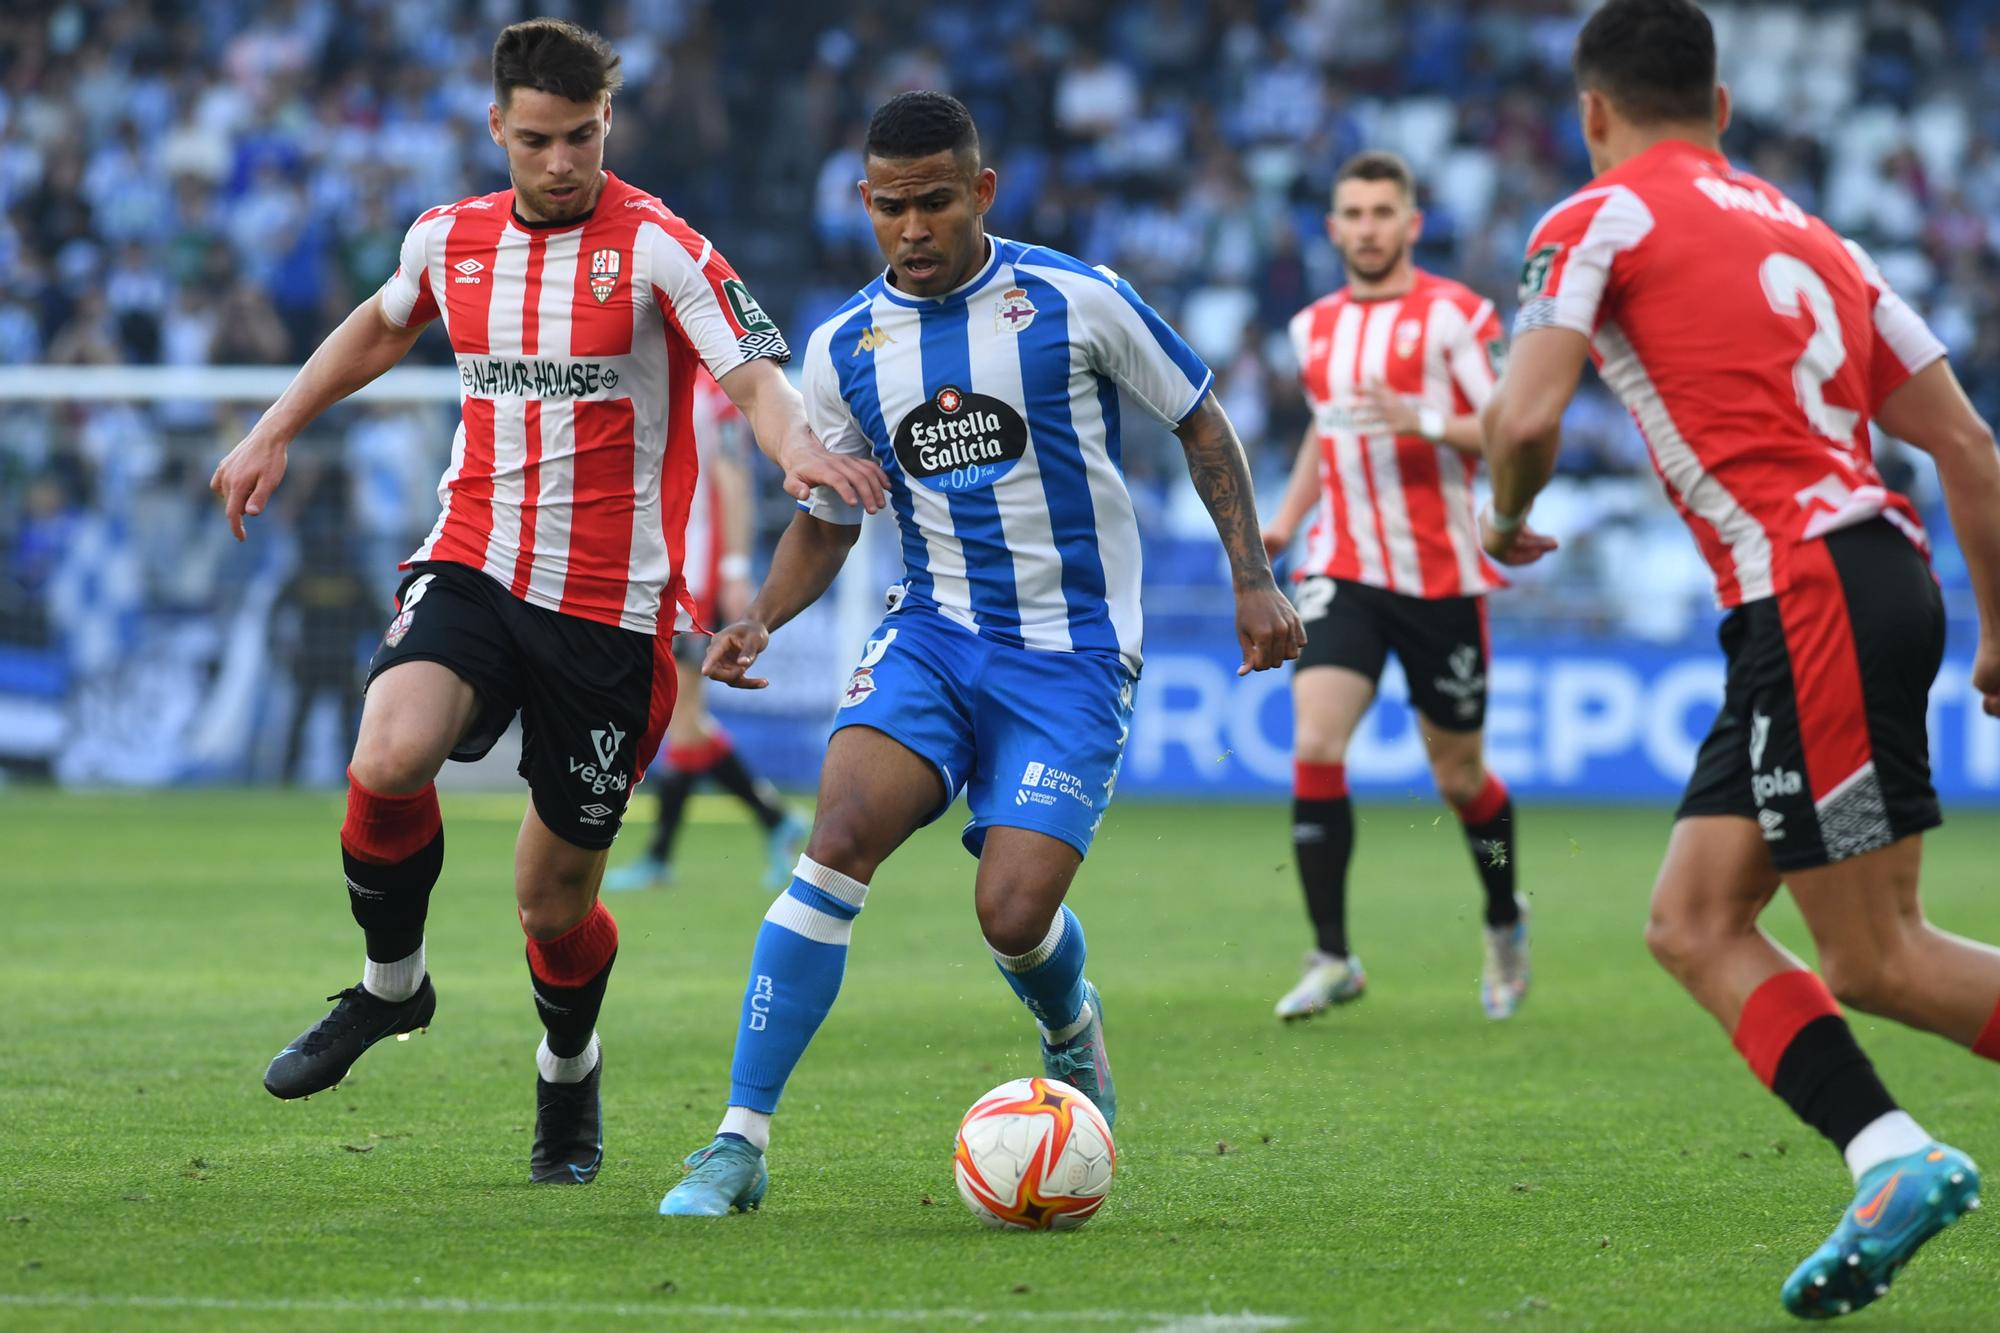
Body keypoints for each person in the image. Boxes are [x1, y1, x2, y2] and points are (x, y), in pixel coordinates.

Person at [207, 18, 882, 1186]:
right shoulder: (449, 238)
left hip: (607, 614)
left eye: (581, 136)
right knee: (387, 755)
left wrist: (798, 451)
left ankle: (568, 1074)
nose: (560, 161)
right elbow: (379, 324)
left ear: (607, 124)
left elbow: (752, 377)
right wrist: (273, 426)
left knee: (549, 899)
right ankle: (390, 989)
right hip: (471, 555)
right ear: (495, 129)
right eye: (536, 139)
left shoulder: (662, 245)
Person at [656, 91, 1304, 1216]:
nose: (914, 227)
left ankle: (1067, 1021)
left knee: (1009, 913)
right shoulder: (843, 346)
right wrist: (759, 614)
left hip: (1072, 657)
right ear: (864, 203)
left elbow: (1200, 417)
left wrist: (1251, 577)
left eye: (936, 202)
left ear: (981, 192)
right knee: (838, 839)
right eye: (892, 207)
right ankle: (737, 1140)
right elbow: (828, 516)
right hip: (932, 637)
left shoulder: (1074, 300)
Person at [1481, 0, 2000, 1317]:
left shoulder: (1591, 217)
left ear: (1591, 114)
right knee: (1695, 919)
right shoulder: (1816, 237)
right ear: (1721, 106)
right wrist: (1999, 634)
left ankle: (1895, 1157)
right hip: (1852, 582)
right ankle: (1890, 1156)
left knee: (1877, 957)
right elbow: (1971, 451)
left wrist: (1502, 513)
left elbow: (1526, 412)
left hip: (1809, 588)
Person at [1261, 150, 1527, 1024]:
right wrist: (1285, 520)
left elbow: (1508, 432)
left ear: (1411, 224)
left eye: (1384, 212)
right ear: (1333, 227)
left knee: (1460, 776)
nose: (1369, 227)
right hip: (1341, 564)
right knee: (1317, 738)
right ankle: (1332, 954)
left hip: (1440, 575)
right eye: (1354, 213)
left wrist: (1428, 420)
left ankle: (1501, 913)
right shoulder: (1313, 328)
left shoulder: (1459, 316)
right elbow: (1324, 435)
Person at [604, 371, 808, 893]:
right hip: (663, 575)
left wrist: (736, 567)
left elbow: (732, 476)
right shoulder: (652, 369)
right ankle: (768, 822)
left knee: (684, 714)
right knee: (686, 720)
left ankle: (670, 854)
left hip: (695, 578)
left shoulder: (709, 389)